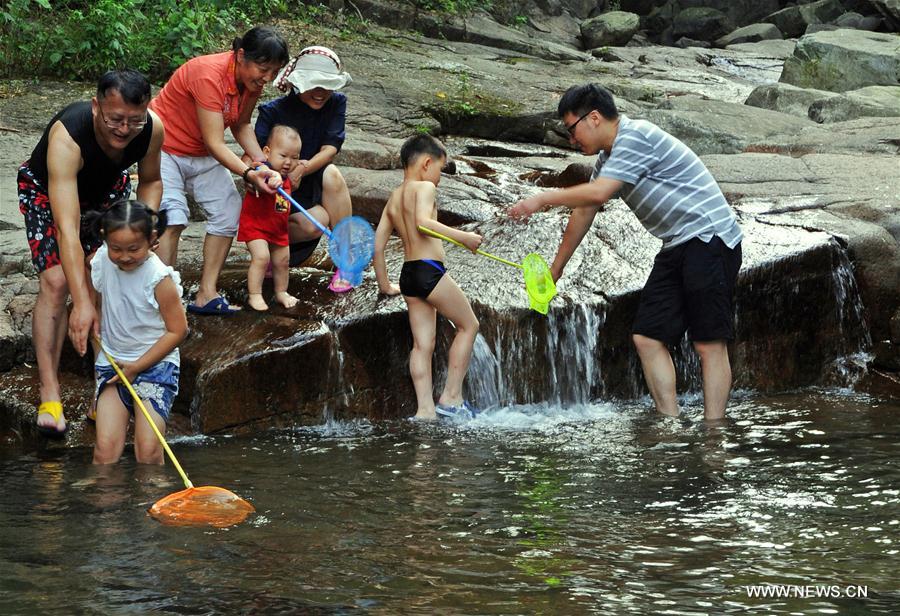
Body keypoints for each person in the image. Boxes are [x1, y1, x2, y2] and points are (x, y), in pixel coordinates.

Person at [509, 84, 743, 422]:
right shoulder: (608, 157)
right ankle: (670, 424)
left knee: (709, 344)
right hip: (678, 243)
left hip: (710, 237)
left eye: (572, 129)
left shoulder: (636, 136)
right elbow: (586, 209)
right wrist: (555, 270)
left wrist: (542, 199)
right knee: (647, 337)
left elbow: (599, 192)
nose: (572, 140)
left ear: (594, 117)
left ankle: (713, 432)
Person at [17, 69, 164, 437]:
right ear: (96, 106)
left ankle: (106, 391)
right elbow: (68, 229)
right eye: (115, 119)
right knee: (57, 281)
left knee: (106, 276)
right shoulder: (69, 136)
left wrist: (146, 226)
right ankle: (49, 391)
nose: (124, 129)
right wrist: (79, 302)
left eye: (134, 120)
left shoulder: (151, 129)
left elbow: (150, 180)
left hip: (106, 191)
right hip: (47, 192)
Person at [150, 25, 289, 314]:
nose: (267, 78)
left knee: (227, 211)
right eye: (263, 68)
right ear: (241, 56)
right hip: (165, 149)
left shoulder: (251, 84)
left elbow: (240, 124)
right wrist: (249, 173)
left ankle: (206, 294)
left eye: (274, 72)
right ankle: (162, 303)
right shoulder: (208, 75)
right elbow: (215, 142)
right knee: (172, 219)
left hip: (199, 154)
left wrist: (261, 164)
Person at [374, 134, 482, 420]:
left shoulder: (393, 199)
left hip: (408, 275)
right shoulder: (424, 188)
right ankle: (451, 398)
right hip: (429, 271)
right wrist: (464, 238)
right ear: (426, 163)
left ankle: (425, 410)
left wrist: (386, 285)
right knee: (469, 325)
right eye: (439, 169)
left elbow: (378, 246)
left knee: (422, 345)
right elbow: (423, 224)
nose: (439, 178)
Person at [87, 200, 187, 464]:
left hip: (155, 367)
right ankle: (105, 503)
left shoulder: (159, 278)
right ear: (104, 239)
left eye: (133, 248)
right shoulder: (101, 260)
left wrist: (137, 366)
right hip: (113, 364)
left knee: (148, 449)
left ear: (152, 239)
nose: (124, 256)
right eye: (116, 248)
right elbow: (90, 278)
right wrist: (90, 311)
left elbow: (178, 331)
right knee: (105, 449)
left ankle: (152, 501)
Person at [254, 45, 355, 292]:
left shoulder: (336, 103)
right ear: (298, 83)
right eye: (313, 85)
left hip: (311, 183)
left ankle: (347, 262)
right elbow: (255, 157)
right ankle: (269, 254)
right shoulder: (272, 112)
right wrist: (277, 174)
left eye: (326, 86)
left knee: (331, 175)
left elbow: (331, 148)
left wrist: (303, 168)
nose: (321, 93)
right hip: (277, 193)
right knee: (310, 222)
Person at [237, 125, 301, 311]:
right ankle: (255, 295)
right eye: (283, 156)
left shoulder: (287, 178)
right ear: (267, 152)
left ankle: (281, 292)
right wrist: (271, 176)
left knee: (283, 261)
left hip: (278, 229)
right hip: (256, 226)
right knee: (262, 257)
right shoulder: (262, 170)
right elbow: (260, 172)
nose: (288, 162)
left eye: (294, 157)